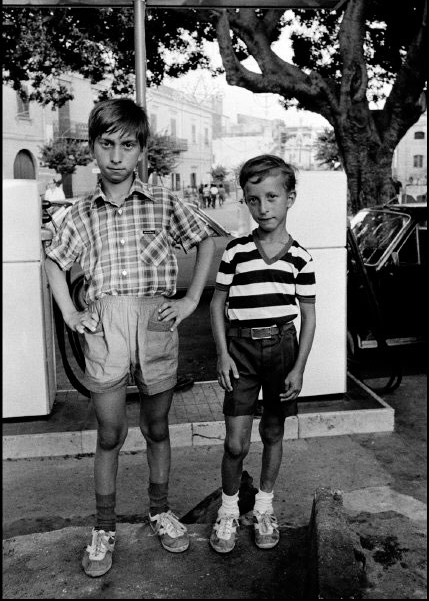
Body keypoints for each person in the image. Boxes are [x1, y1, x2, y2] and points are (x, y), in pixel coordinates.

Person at [44, 98, 215, 577]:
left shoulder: (164, 202)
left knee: (157, 428)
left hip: (156, 323)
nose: (117, 156)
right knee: (111, 432)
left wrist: (189, 301)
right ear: (93, 149)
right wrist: (72, 312)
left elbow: (206, 240)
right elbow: (55, 262)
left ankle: (160, 510)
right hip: (105, 327)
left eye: (127, 145)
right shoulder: (78, 214)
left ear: (141, 151)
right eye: (106, 145)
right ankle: (103, 528)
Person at [209, 154, 316, 554]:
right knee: (236, 443)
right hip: (241, 352)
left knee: (272, 432)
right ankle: (229, 509)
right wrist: (222, 355)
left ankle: (265, 507)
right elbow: (216, 305)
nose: (263, 207)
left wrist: (299, 368)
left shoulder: (300, 258)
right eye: (253, 199)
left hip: (282, 350)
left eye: (272, 197)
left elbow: (308, 317)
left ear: (290, 198)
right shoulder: (236, 251)